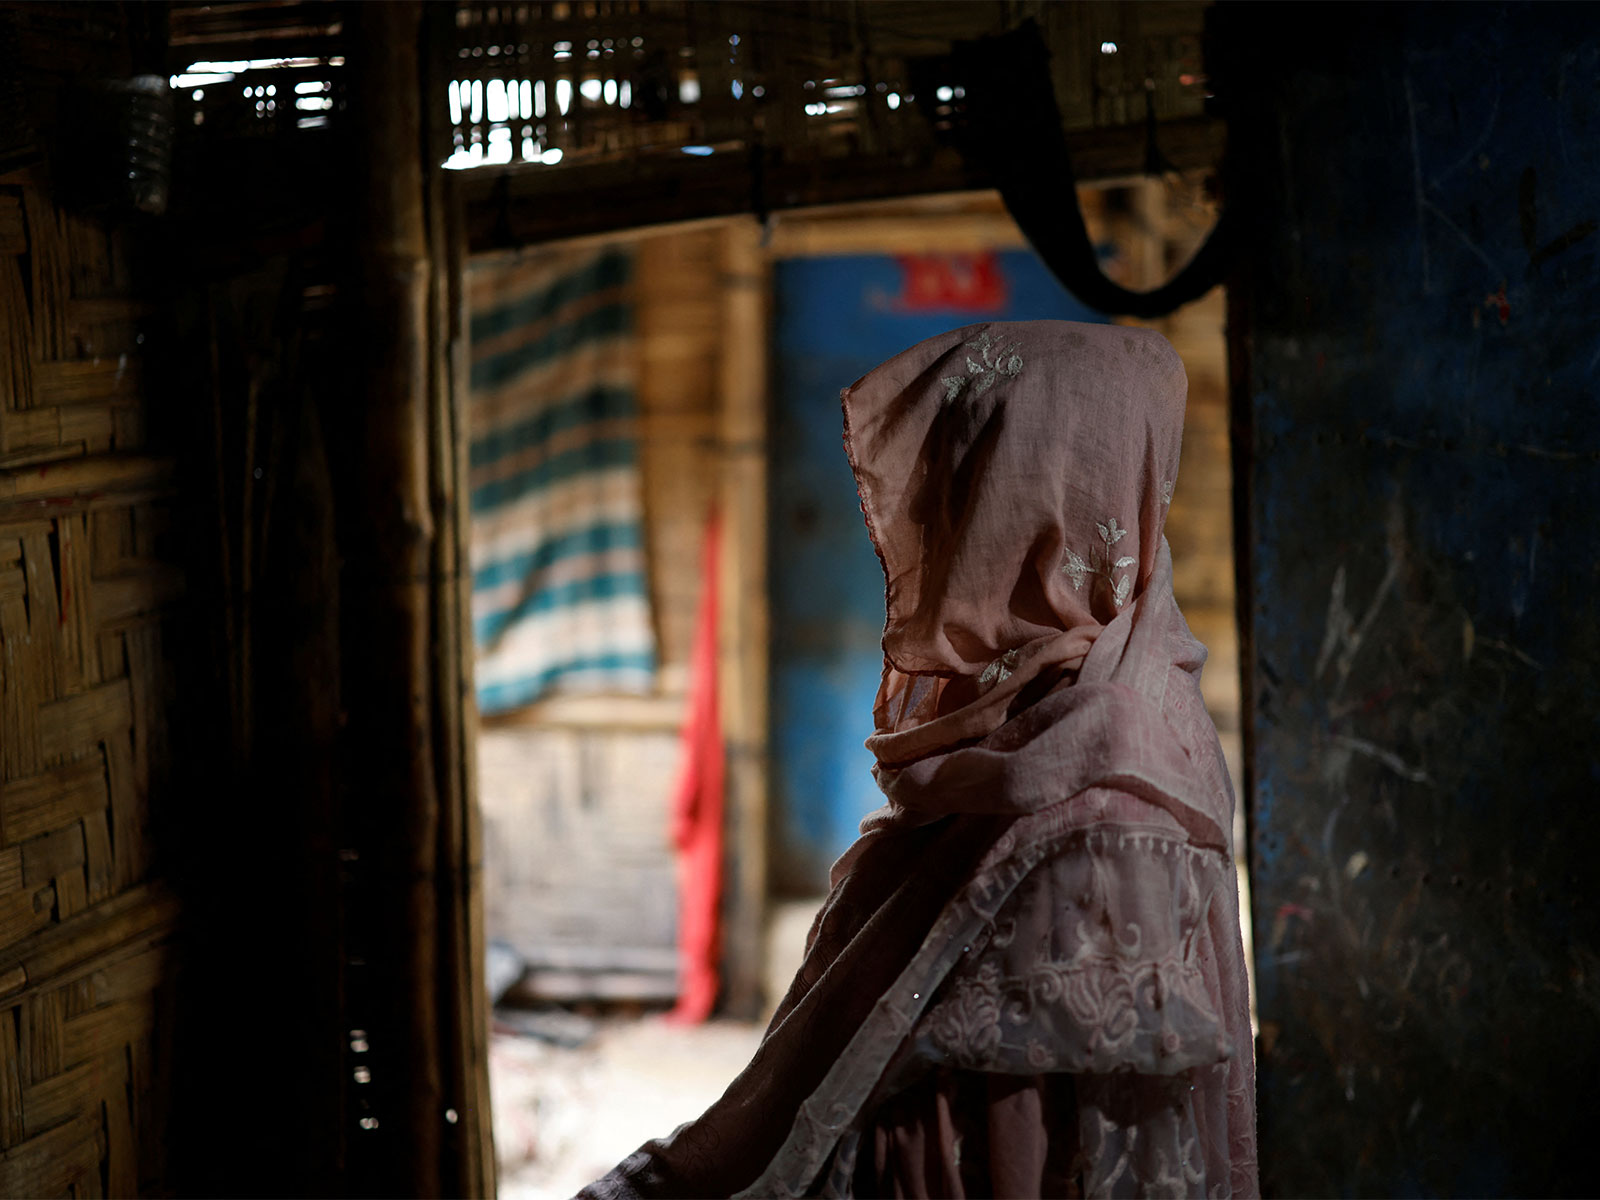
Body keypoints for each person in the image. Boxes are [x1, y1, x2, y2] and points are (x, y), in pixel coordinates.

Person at [581, 320, 1258, 1199]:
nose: (949, 526)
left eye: (979, 484)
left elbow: (1043, 1147)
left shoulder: (1110, 784)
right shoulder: (1042, 717)